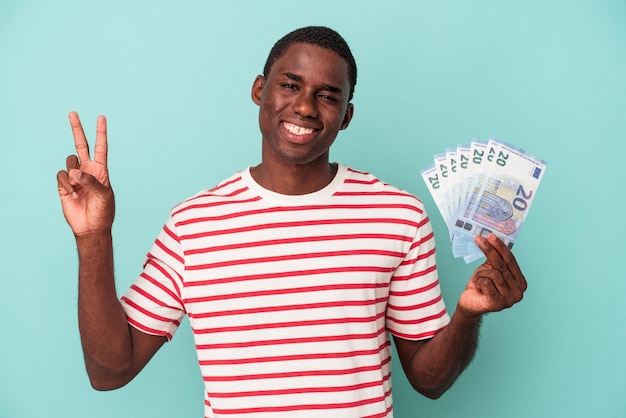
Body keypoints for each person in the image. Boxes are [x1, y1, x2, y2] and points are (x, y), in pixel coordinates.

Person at [56, 26, 526, 417]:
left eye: (327, 96)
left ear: (346, 117)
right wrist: (93, 238)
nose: (304, 107)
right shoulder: (192, 224)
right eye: (290, 85)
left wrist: (466, 316)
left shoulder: (397, 215)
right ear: (259, 89)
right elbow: (109, 373)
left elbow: (429, 381)